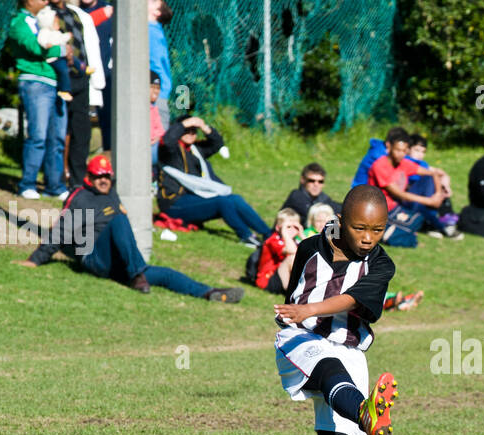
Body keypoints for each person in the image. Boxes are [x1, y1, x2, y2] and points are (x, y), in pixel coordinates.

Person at [272, 185, 400, 435]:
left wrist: (312, 306)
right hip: (301, 339)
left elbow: (356, 300)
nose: (368, 238)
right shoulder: (311, 247)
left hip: (349, 349)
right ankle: (365, 412)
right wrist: (305, 313)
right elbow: (293, 292)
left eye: (377, 230)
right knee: (329, 371)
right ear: (342, 222)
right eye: (360, 228)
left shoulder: (381, 266)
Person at [18, 154, 243, 303]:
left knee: (164, 274)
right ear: (89, 177)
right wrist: (35, 259)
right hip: (92, 256)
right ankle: (137, 274)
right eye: (99, 177)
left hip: (117, 260)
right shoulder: (80, 197)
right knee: (119, 220)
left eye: (107, 176)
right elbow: (62, 231)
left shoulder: (111, 192)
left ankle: (210, 292)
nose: (104, 181)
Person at [157, 114, 272, 248]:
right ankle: (246, 236)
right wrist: (185, 124)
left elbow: (217, 143)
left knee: (234, 198)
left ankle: (269, 234)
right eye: (186, 130)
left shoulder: (196, 150)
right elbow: (167, 139)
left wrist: (205, 127)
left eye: (194, 131)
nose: (190, 134)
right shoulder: (170, 151)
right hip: (173, 203)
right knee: (222, 202)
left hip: (194, 198)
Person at [7, 0, 68, 200]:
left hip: (55, 83)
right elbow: (36, 47)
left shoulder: (43, 21)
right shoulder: (19, 23)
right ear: (29, 1)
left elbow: (59, 45)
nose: (46, 2)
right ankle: (27, 184)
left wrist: (57, 45)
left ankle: (55, 185)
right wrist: (58, 47)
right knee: (38, 135)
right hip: (35, 84)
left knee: (56, 137)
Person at [44, 0, 104, 190]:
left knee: (82, 131)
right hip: (60, 78)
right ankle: (56, 178)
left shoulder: (74, 14)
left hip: (80, 78)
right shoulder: (46, 16)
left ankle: (78, 181)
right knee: (59, 130)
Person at [367, 131, 459, 244]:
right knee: (416, 221)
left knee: (428, 184)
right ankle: (440, 226)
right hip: (383, 209)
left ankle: (435, 225)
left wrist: (438, 194)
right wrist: (430, 201)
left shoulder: (403, 163)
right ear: (389, 148)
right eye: (398, 150)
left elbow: (433, 174)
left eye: (404, 151)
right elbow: (399, 194)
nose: (401, 154)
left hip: (398, 206)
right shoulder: (380, 166)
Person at [76, 0, 113, 152]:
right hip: (79, 72)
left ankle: (108, 155)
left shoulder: (110, 11)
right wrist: (100, 15)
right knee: (80, 118)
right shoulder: (74, 10)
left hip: (104, 73)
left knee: (108, 117)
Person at [248, 208, 304, 293]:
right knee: (292, 258)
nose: (292, 230)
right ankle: (294, 292)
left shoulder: (295, 241)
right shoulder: (273, 240)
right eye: (288, 227)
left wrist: (301, 235)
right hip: (268, 279)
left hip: (282, 277)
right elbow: (292, 251)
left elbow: (313, 252)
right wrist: (285, 233)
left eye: (295, 227)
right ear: (278, 228)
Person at [149, 0, 174, 131]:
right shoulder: (153, 30)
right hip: (158, 91)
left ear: (157, 12)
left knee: (158, 137)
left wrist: (154, 87)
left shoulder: (151, 31)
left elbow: (156, 63)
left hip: (156, 92)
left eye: (153, 2)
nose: (148, 0)